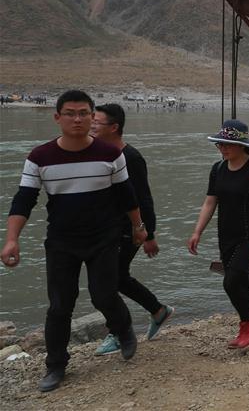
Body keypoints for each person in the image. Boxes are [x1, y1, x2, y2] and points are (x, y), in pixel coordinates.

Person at [2, 90, 146, 392]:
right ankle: (56, 366)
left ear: (92, 117)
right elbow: (24, 200)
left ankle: (124, 329)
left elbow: (126, 195)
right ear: (57, 118)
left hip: (103, 238)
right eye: (70, 113)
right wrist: (11, 240)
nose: (77, 119)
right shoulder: (40, 157)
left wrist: (139, 227)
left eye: (83, 113)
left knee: (103, 295)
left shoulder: (110, 155)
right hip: (61, 241)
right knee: (59, 306)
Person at [90, 104, 174, 356]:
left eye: (96, 122)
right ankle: (158, 311)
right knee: (117, 277)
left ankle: (118, 331)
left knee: (108, 280)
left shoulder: (132, 158)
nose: (91, 126)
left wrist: (149, 234)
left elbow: (144, 199)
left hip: (129, 230)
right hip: (105, 229)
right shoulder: (97, 153)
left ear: (114, 127)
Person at [189, 119, 249, 349]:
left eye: (227, 144)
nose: (222, 148)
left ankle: (248, 325)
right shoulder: (218, 169)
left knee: (231, 281)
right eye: (220, 144)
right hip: (226, 233)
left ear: (242, 146)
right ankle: (246, 326)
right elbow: (209, 202)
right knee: (238, 281)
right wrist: (197, 232)